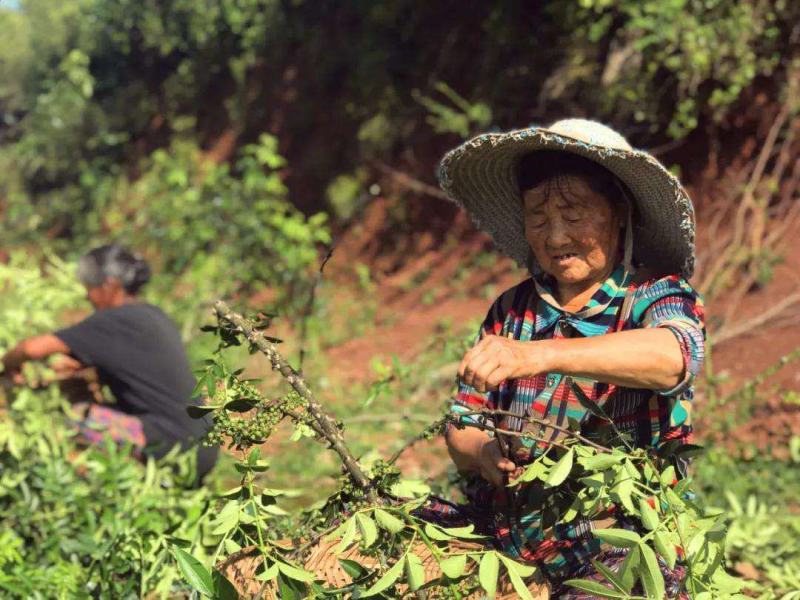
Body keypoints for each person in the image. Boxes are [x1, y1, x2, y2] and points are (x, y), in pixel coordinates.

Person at [427, 119, 705, 598]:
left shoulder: (653, 296)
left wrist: (542, 355)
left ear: (619, 212)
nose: (555, 237)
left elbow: (674, 355)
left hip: (615, 544)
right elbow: (462, 420)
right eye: (538, 216)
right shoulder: (510, 311)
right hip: (510, 536)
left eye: (574, 215)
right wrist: (484, 453)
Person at [1, 244, 217, 482]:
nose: (87, 295)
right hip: (203, 443)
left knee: (62, 422)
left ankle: (78, 493)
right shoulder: (152, 315)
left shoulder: (112, 321)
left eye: (90, 288)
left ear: (110, 286)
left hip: (175, 445)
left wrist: (5, 365)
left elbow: (31, 348)